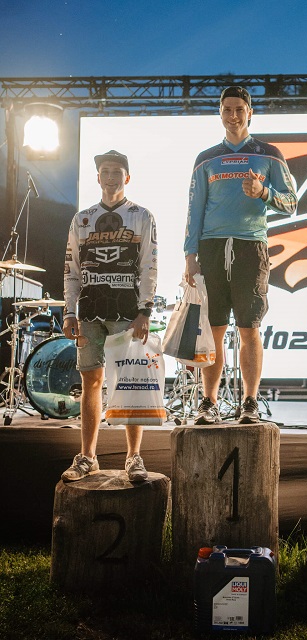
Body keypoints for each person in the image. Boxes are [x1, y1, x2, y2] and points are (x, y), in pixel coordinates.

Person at [184, 86, 297, 425]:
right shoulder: (206, 158)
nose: (233, 115)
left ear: (250, 113)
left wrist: (264, 192)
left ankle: (249, 402)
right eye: (227, 109)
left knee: (249, 329)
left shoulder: (269, 154)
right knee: (214, 330)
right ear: (220, 113)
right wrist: (190, 254)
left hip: (251, 247)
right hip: (211, 247)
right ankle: (209, 402)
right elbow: (194, 209)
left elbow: (291, 203)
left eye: (239, 109)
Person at [61, 150, 158, 482]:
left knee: (130, 382)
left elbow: (149, 266)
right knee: (91, 381)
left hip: (127, 310)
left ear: (127, 177)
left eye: (117, 171)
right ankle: (88, 457)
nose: (111, 176)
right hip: (90, 311)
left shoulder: (141, 216)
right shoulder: (82, 219)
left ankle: (134, 457)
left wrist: (145, 310)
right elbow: (72, 270)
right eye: (106, 171)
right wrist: (69, 312)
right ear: (98, 177)